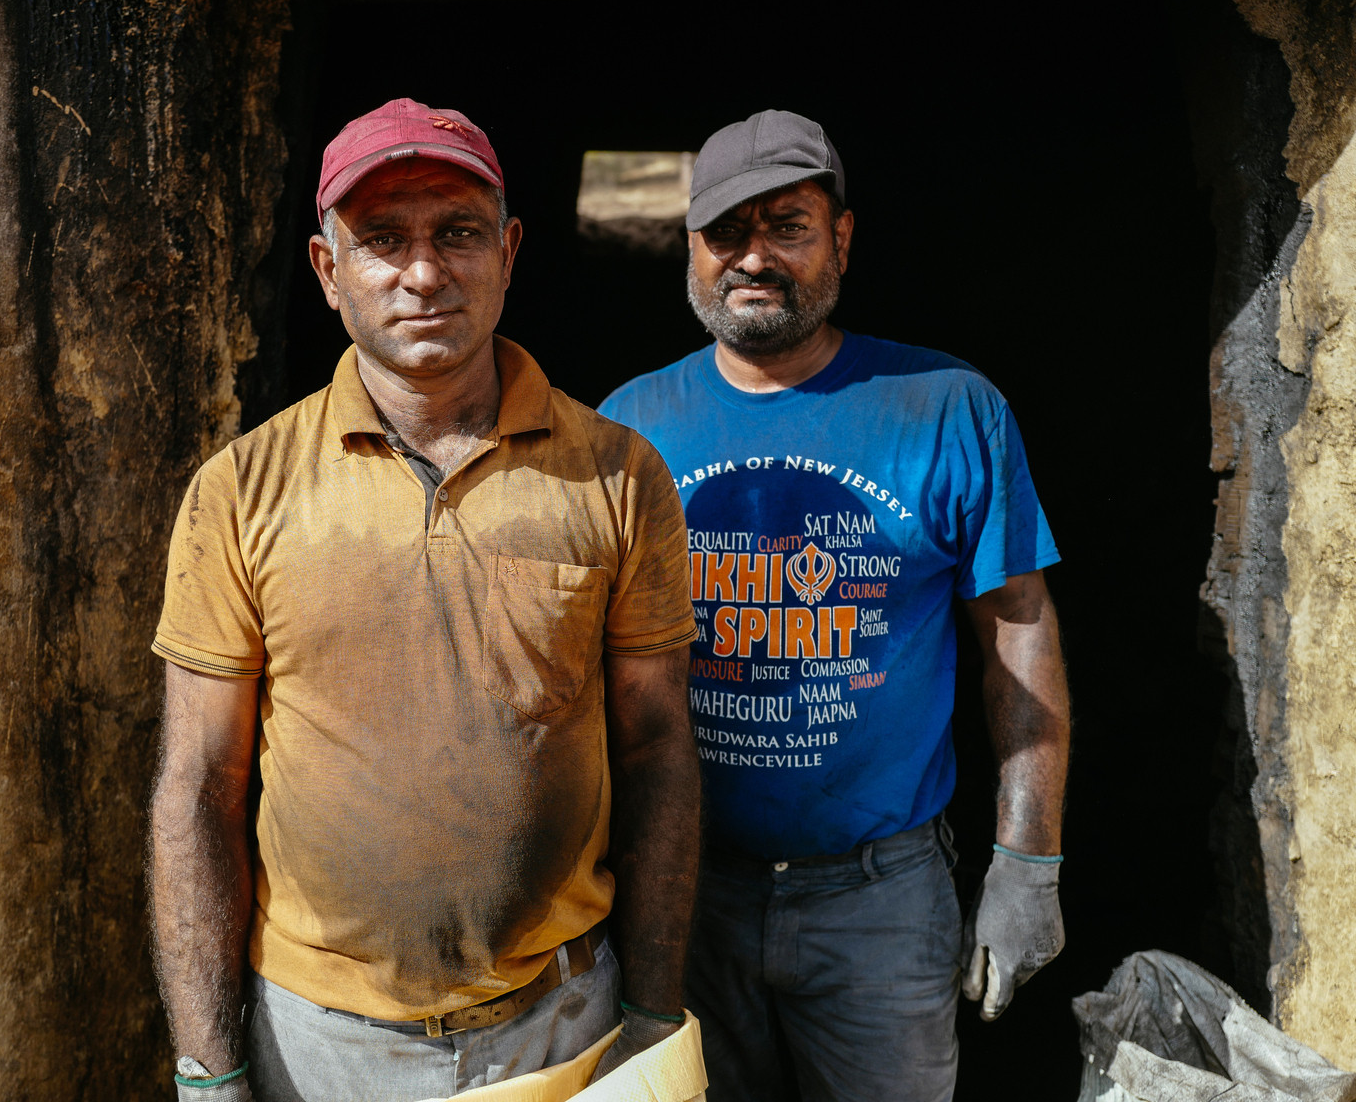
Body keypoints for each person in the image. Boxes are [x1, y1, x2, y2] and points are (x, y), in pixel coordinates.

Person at [147, 98, 702, 1102]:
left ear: (509, 249)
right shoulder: (242, 491)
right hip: (322, 1044)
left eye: (457, 233)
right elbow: (196, 788)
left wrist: (654, 1014)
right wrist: (208, 1066)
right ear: (326, 269)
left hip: (564, 1020)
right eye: (382, 241)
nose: (423, 272)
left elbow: (660, 749)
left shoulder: (618, 475)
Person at [597, 110, 1072, 1102]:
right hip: (684, 893)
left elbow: (1018, 633)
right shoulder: (626, 426)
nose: (754, 257)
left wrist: (1029, 864)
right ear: (689, 247)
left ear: (842, 240)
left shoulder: (946, 405)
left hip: (881, 903)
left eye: (788, 226)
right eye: (726, 231)